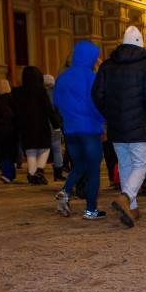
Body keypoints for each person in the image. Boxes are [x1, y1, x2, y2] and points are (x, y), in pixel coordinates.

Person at [92, 25, 146, 228]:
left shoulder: (106, 66)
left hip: (116, 125)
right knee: (141, 165)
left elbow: (97, 95)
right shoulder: (145, 66)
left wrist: (110, 114)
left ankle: (132, 206)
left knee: (125, 165)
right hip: (138, 123)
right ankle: (126, 197)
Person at [53, 40, 106, 220]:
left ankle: (65, 191)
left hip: (70, 129)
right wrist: (103, 120)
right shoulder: (91, 78)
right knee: (93, 169)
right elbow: (97, 104)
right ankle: (91, 210)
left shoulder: (63, 77)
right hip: (90, 129)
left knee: (79, 165)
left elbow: (57, 103)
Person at [12, 65, 55, 185]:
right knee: (45, 148)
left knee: (30, 150)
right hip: (41, 124)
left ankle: (32, 173)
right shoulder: (41, 90)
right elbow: (48, 109)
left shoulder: (17, 92)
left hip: (25, 126)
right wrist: (56, 124)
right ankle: (39, 171)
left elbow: (15, 109)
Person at [0, 79, 18, 183]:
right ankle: (10, 174)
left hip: (0, 132)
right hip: (12, 131)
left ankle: (7, 174)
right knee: (10, 153)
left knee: (4, 153)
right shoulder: (13, 101)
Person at [45, 73, 67, 182]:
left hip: (44, 124)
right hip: (55, 124)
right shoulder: (57, 93)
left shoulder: (41, 94)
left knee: (42, 149)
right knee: (57, 148)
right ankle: (58, 173)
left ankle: (37, 172)